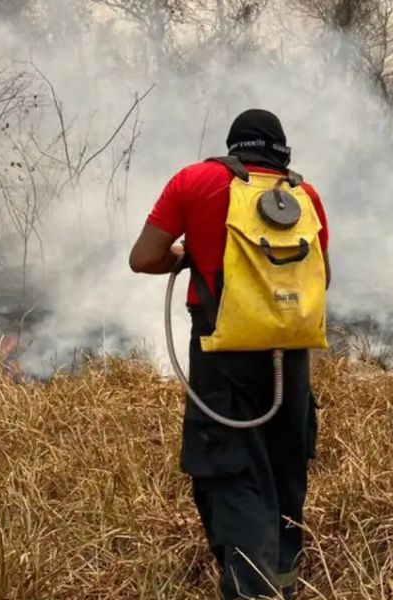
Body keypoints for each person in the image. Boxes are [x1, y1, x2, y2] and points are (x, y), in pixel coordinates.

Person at [129, 109, 330, 598]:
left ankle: (251, 590)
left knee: (233, 469)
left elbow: (143, 258)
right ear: (281, 151)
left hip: (223, 352)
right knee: (285, 464)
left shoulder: (195, 181)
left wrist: (189, 256)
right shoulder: (306, 196)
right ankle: (284, 579)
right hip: (292, 354)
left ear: (234, 145)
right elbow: (321, 280)